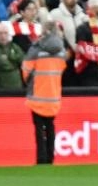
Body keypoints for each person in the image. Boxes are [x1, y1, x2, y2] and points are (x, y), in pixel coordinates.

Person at [22, 22, 66, 165]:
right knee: (51, 127)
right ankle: (51, 158)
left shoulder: (36, 48)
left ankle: (41, 158)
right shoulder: (61, 49)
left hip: (37, 95)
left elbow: (26, 70)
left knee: (39, 129)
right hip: (53, 95)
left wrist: (29, 82)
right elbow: (62, 67)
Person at [0, 22, 26, 89]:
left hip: (16, 85)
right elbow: (2, 64)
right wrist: (14, 63)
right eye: (0, 33)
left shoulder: (14, 46)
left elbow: (23, 60)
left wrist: (10, 57)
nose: (3, 36)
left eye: (5, 33)